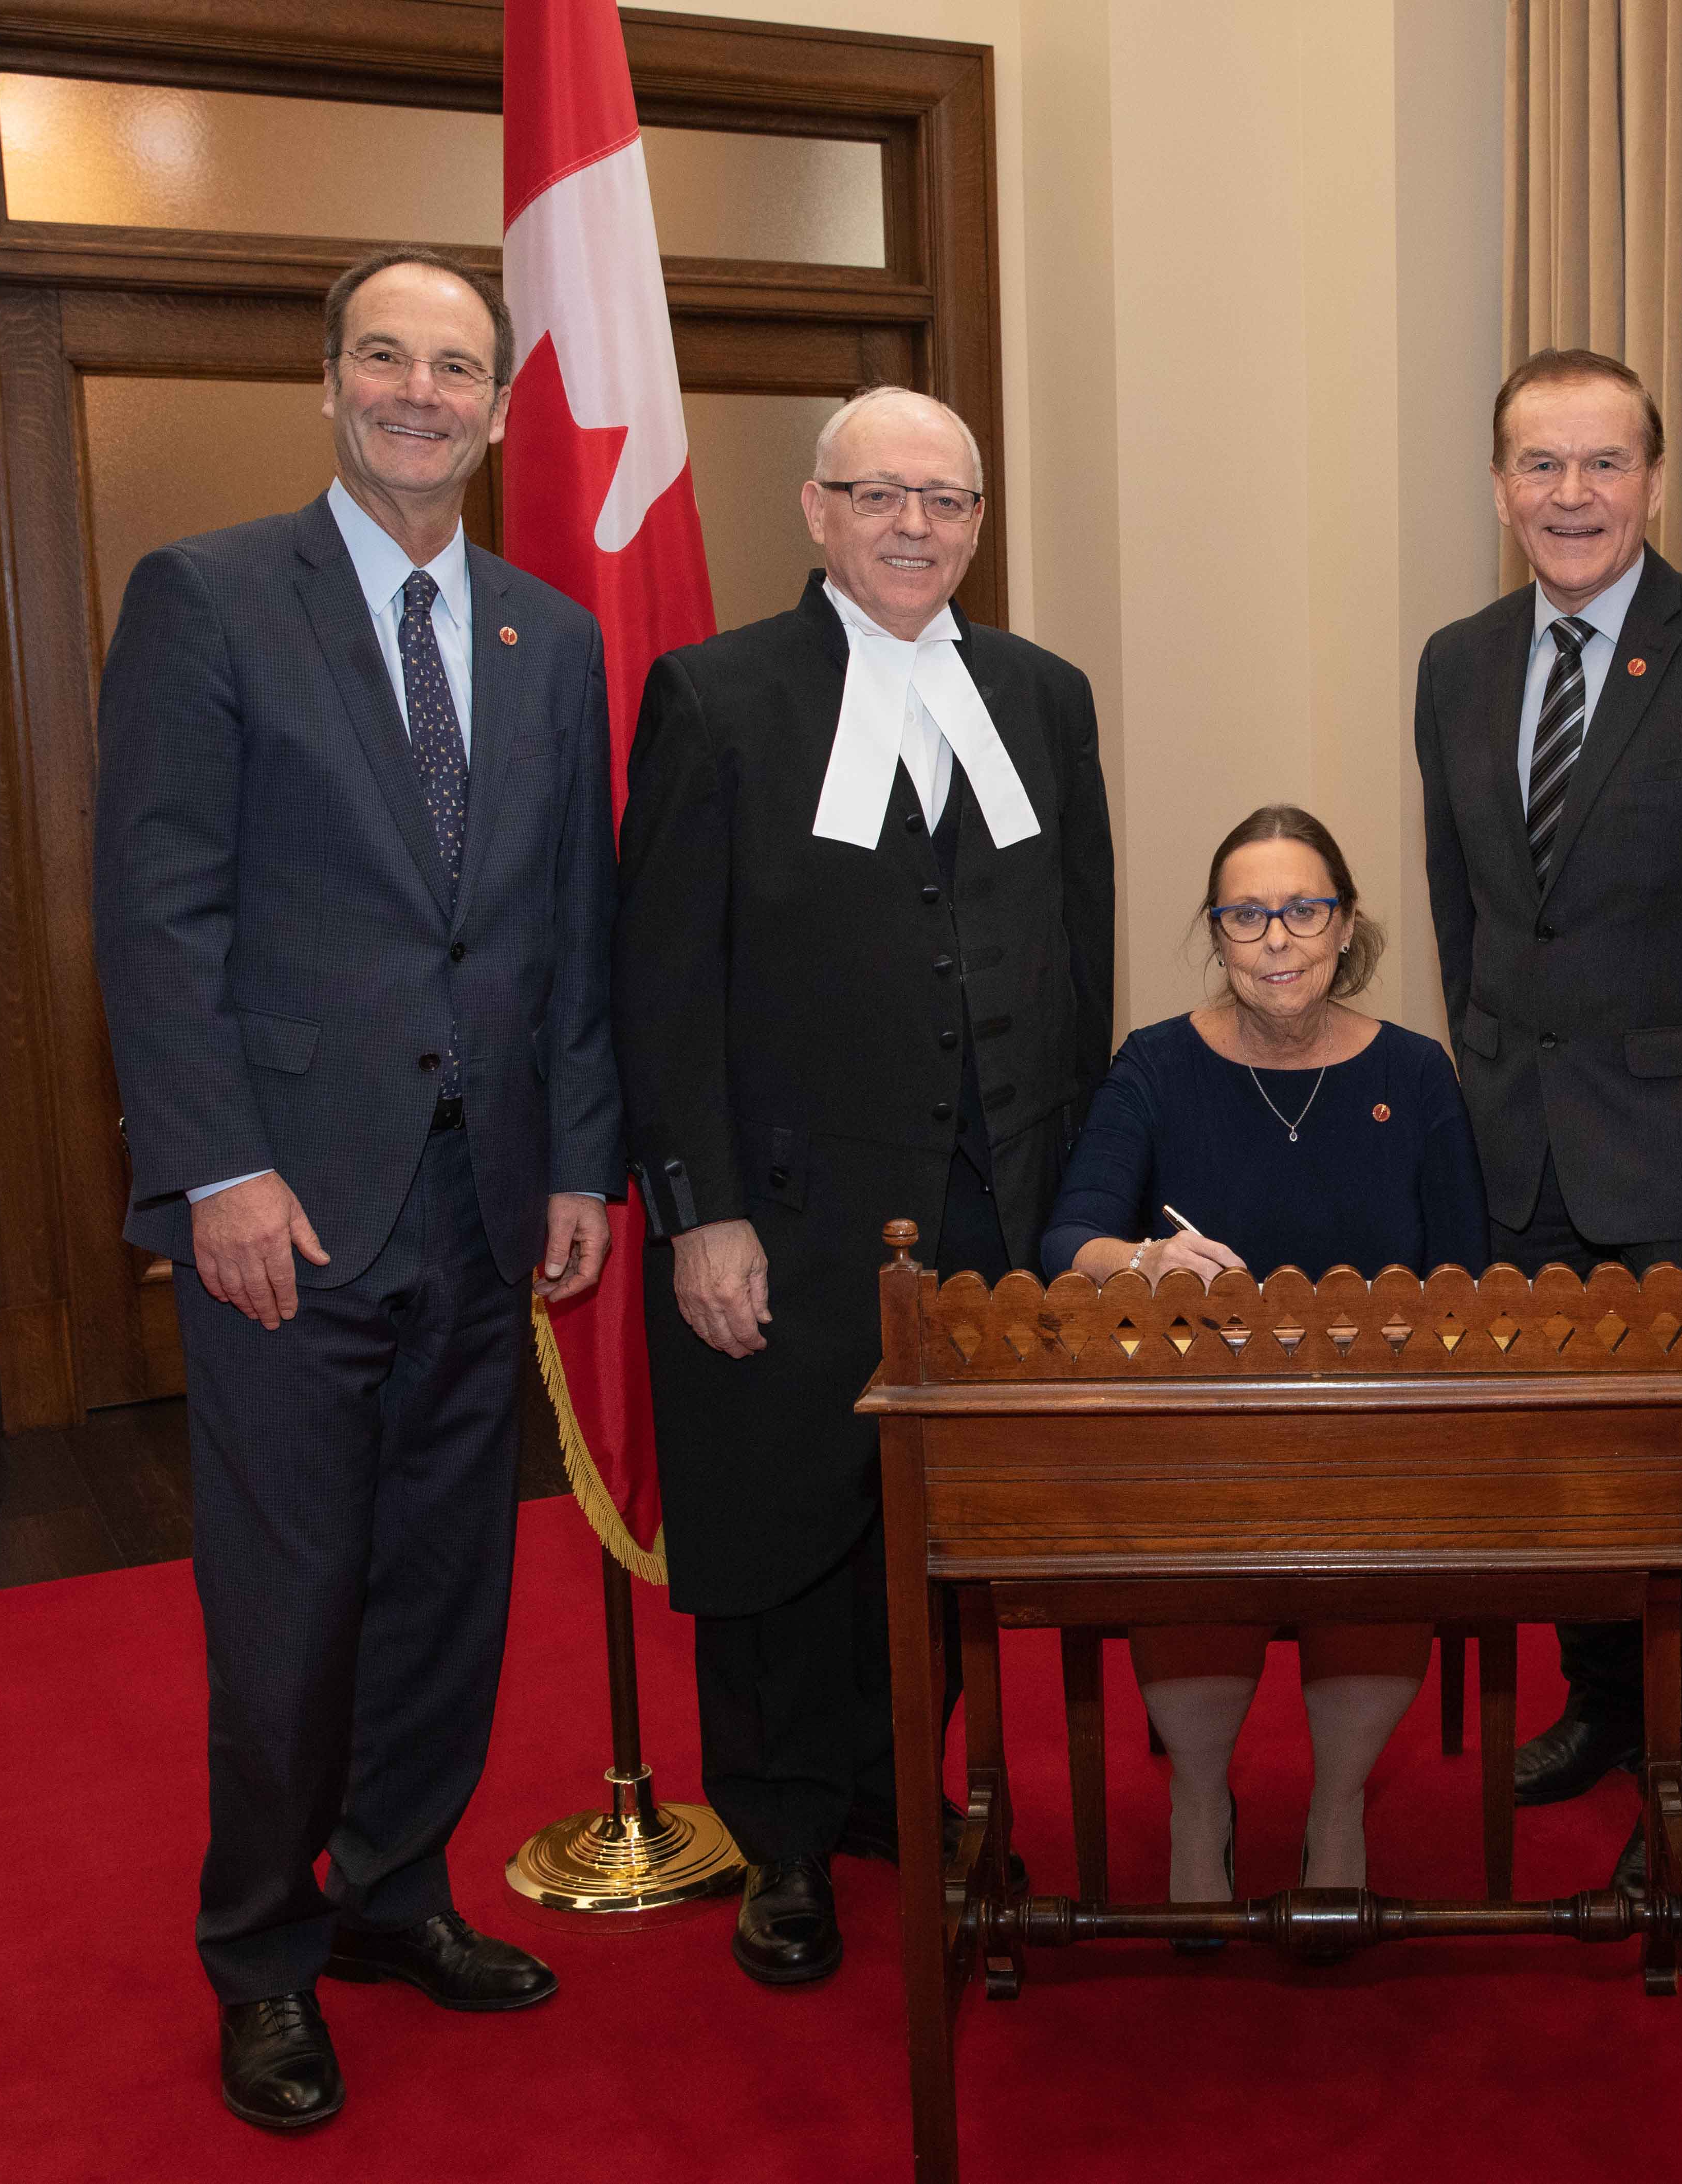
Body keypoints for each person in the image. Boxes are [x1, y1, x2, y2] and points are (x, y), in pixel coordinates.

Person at [91, 247, 619, 2130]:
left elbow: (562, 930)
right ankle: (262, 1952)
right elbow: (157, 919)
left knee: (445, 1592)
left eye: (455, 366)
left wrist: (577, 1162)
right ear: (328, 382)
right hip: (285, 1218)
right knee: (291, 1604)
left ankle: (397, 1894)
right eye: (385, 358)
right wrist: (215, 1164)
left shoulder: (547, 638)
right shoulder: (214, 598)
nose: (420, 391)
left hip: (485, 1207)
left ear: (495, 405)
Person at [615, 386, 1115, 1989]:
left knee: (937, 1533)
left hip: (984, 1213)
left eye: (947, 500)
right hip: (783, 1215)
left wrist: (1071, 1201)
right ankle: (782, 1840)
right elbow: (663, 983)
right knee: (784, 1539)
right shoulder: (715, 697)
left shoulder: (1042, 697)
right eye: (880, 494)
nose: (914, 526)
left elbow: (1080, 954)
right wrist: (697, 1209)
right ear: (816, 512)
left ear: (979, 521)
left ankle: (904, 1788)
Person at [1414, 347, 1682, 1875]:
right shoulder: (1455, 662)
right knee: (1557, 1473)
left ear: (1652, 481)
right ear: (1497, 486)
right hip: (1517, 1155)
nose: (1571, 495)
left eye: (1602, 463)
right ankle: (1599, 1704)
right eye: (1540, 464)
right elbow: (1464, 914)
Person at [1041, 806, 1489, 1919]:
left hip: (1379, 1429)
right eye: (1247, 914)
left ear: (1344, 927)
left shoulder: (1417, 1073)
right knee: (1190, 1548)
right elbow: (1067, 1241)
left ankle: (1337, 1806)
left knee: (1385, 1556)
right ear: (1216, 930)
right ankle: (1201, 1802)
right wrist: (1143, 1261)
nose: (1277, 938)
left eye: (1303, 910)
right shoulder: (1152, 1065)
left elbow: (1469, 1276)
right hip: (1201, 1427)